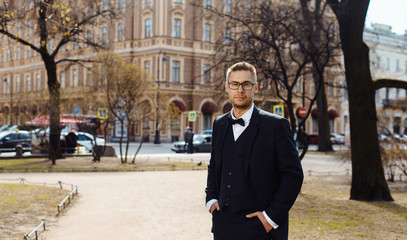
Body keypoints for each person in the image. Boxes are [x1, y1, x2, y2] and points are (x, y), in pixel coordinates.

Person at [205, 62, 303, 240]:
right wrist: (211, 200)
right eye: (234, 84)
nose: (240, 90)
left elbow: (293, 175)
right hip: (223, 226)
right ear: (227, 87)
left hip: (261, 229)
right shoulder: (219, 124)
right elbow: (214, 166)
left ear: (255, 87)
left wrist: (269, 218)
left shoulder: (276, 126)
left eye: (246, 84)